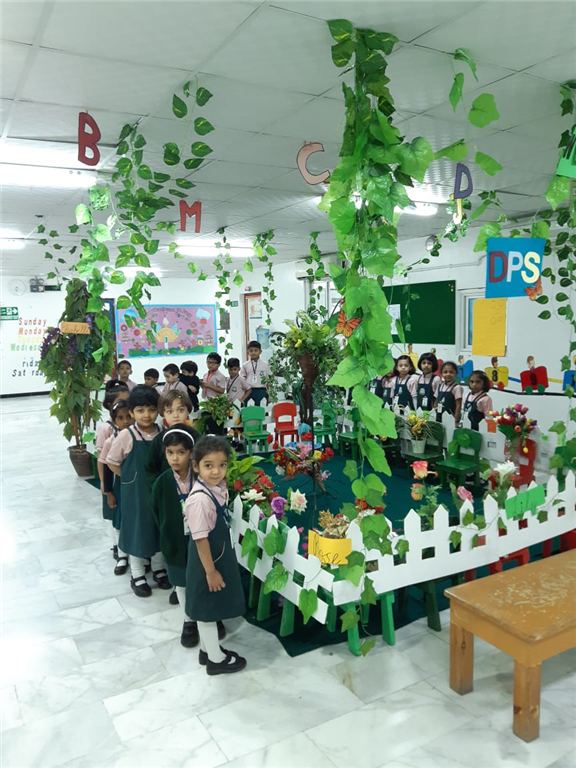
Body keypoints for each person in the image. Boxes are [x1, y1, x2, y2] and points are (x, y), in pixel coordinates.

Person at [150, 426, 227, 649]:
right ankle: (189, 620)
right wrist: (168, 529)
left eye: (181, 452)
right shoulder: (162, 482)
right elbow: (156, 510)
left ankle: (212, 616)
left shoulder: (203, 478)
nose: (175, 458)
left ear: (191, 454)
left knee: (205, 577)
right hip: (175, 540)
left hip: (201, 541)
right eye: (170, 453)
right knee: (182, 582)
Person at [184, 436, 246, 675]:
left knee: (208, 608)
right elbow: (200, 540)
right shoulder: (200, 500)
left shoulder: (216, 488)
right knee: (207, 612)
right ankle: (216, 660)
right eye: (208, 465)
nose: (216, 471)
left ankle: (206, 649)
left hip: (215, 556)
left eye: (222, 465)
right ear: (196, 466)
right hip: (206, 562)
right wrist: (210, 572)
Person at [106, 385, 171, 597]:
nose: (147, 415)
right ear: (132, 412)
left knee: (159, 529)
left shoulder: (162, 433)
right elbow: (112, 461)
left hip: (158, 492)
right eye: (140, 410)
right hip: (135, 494)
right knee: (138, 531)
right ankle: (137, 575)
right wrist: (128, 477)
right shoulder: (127, 435)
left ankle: (159, 569)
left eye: (151, 410)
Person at [97, 400, 133, 575]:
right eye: (120, 418)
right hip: (119, 485)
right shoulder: (111, 441)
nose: (125, 421)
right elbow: (106, 466)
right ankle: (122, 555)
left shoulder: (138, 437)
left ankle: (139, 555)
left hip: (136, 486)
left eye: (128, 416)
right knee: (119, 519)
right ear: (114, 421)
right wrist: (109, 492)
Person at [240, 341, 270, 406]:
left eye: (256, 350)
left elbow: (269, 381)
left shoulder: (266, 365)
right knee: (248, 410)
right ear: (248, 352)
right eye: (251, 350)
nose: (253, 352)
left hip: (261, 391)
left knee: (261, 410)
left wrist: (269, 396)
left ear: (260, 351)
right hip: (249, 391)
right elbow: (242, 380)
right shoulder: (245, 365)